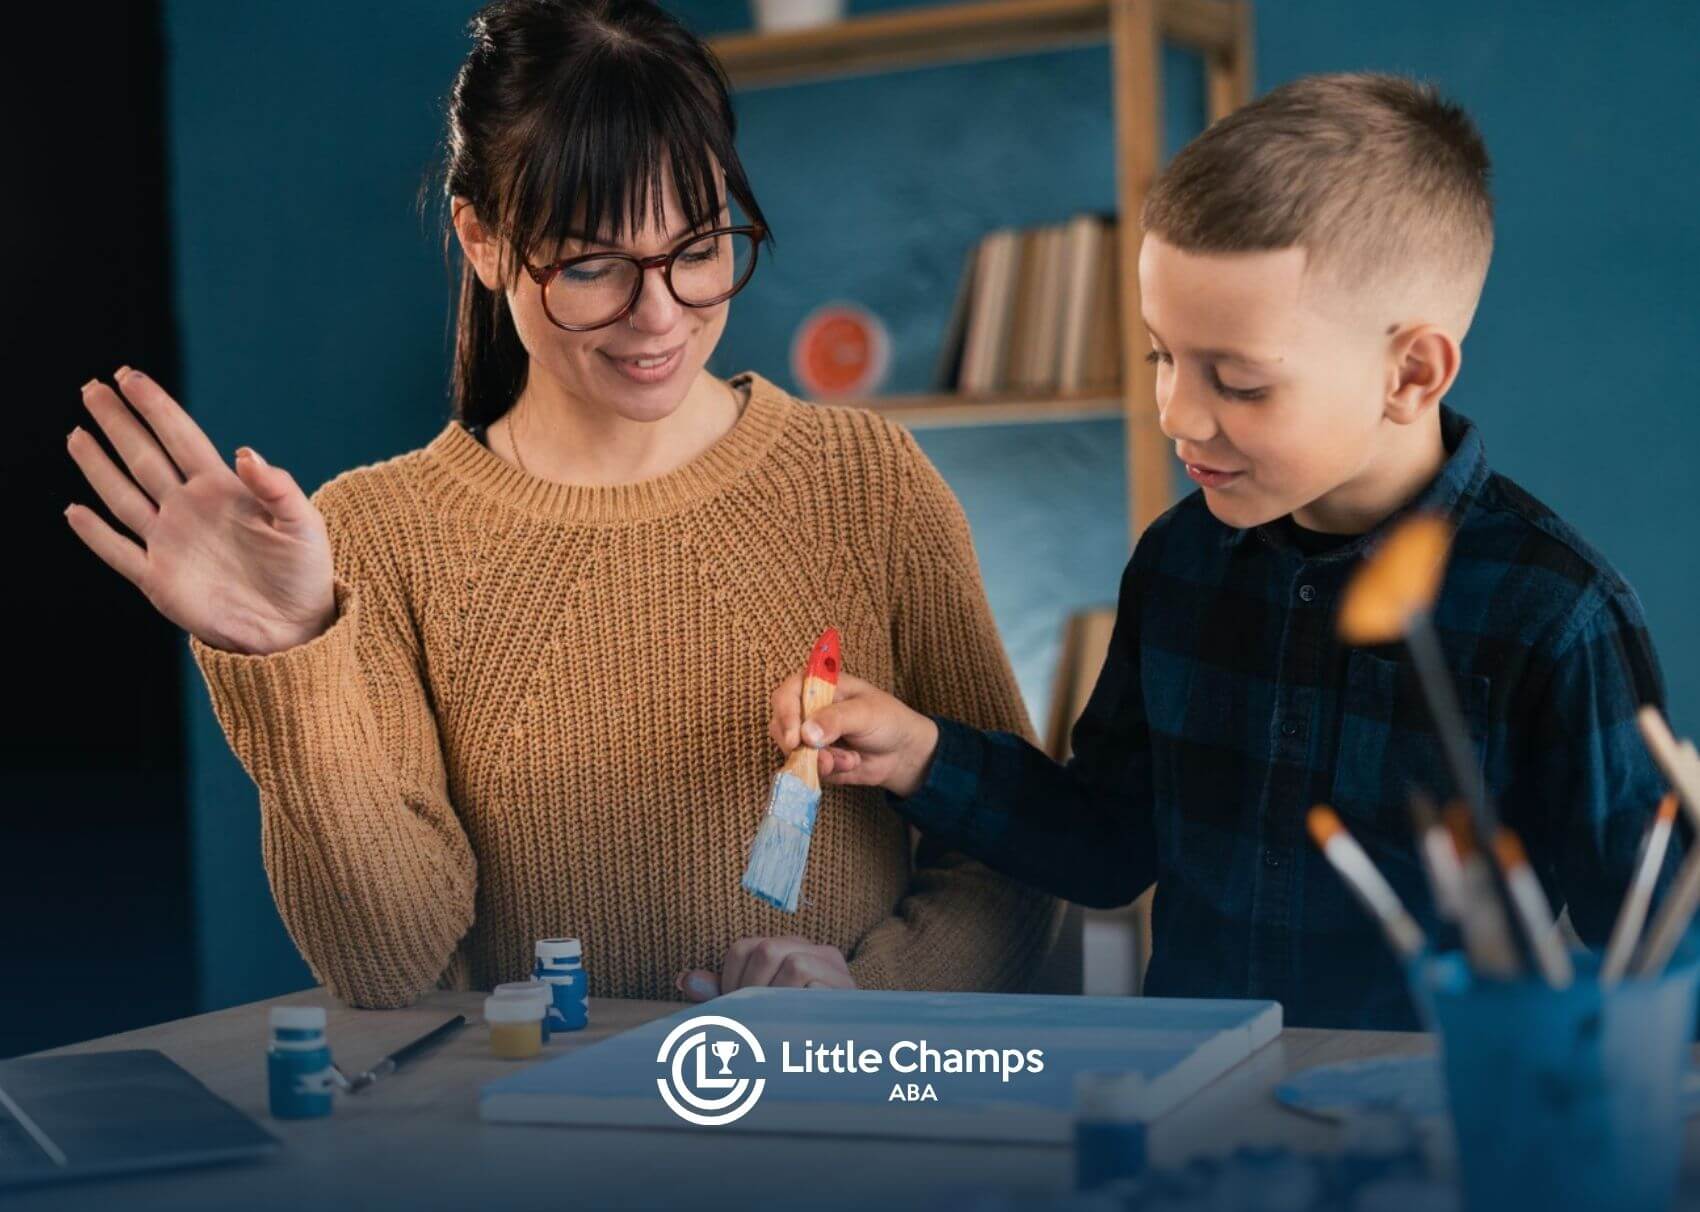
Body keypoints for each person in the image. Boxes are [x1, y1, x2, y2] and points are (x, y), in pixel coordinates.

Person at [62, 0, 1057, 1009]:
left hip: (828, 1101)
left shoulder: (865, 480)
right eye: (591, 266)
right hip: (526, 1110)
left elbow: (1016, 859)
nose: (659, 316)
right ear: (483, 241)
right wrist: (293, 656)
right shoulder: (380, 538)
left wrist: (862, 1005)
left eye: (698, 249)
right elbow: (384, 967)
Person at [769, 73, 1685, 1030]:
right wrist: (922, 754)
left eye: (1240, 383)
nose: (1176, 414)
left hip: (1438, 1113)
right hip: (1195, 1100)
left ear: (1411, 374)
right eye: (1162, 356)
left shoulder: (1556, 615)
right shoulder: (1178, 562)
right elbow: (1108, 845)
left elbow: (1660, 944)